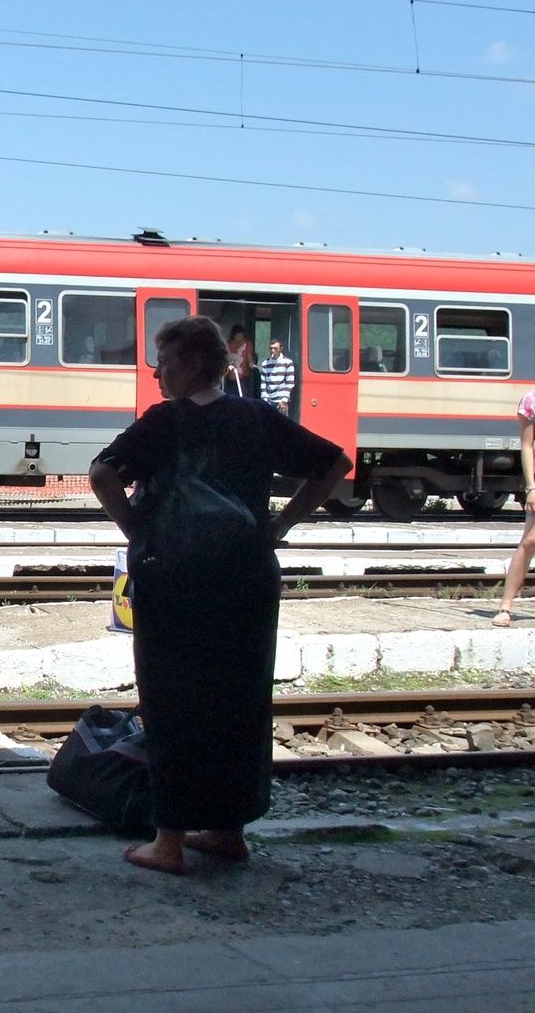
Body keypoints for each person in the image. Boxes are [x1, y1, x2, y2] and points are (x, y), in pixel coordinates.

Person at [88, 316, 349, 876]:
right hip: (246, 580)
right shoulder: (257, 416)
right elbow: (333, 464)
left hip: (177, 581)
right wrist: (280, 526)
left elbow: (102, 475)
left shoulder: (165, 422)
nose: (157, 374)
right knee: (240, 701)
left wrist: (140, 531)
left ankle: (170, 840)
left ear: (193, 365)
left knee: (173, 703)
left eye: (165, 361)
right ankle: (229, 832)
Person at [492, 388, 535, 627]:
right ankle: (505, 606)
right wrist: (531, 487)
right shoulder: (531, 401)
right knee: (529, 542)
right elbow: (527, 445)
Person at [259, 338, 295, 414]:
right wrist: (265, 400)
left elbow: (290, 383)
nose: (273, 351)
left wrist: (284, 400)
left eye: (275, 348)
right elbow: (263, 383)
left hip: (281, 401)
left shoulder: (288, 363)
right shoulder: (265, 364)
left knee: (282, 424)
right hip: (269, 401)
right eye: (271, 348)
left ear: (281, 349)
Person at [225, 325, 255, 396]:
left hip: (244, 378)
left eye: (241, 335)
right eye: (237, 335)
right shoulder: (227, 344)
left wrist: (251, 364)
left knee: (244, 397)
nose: (240, 337)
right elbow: (225, 358)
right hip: (230, 378)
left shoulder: (247, 344)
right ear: (233, 335)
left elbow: (249, 357)